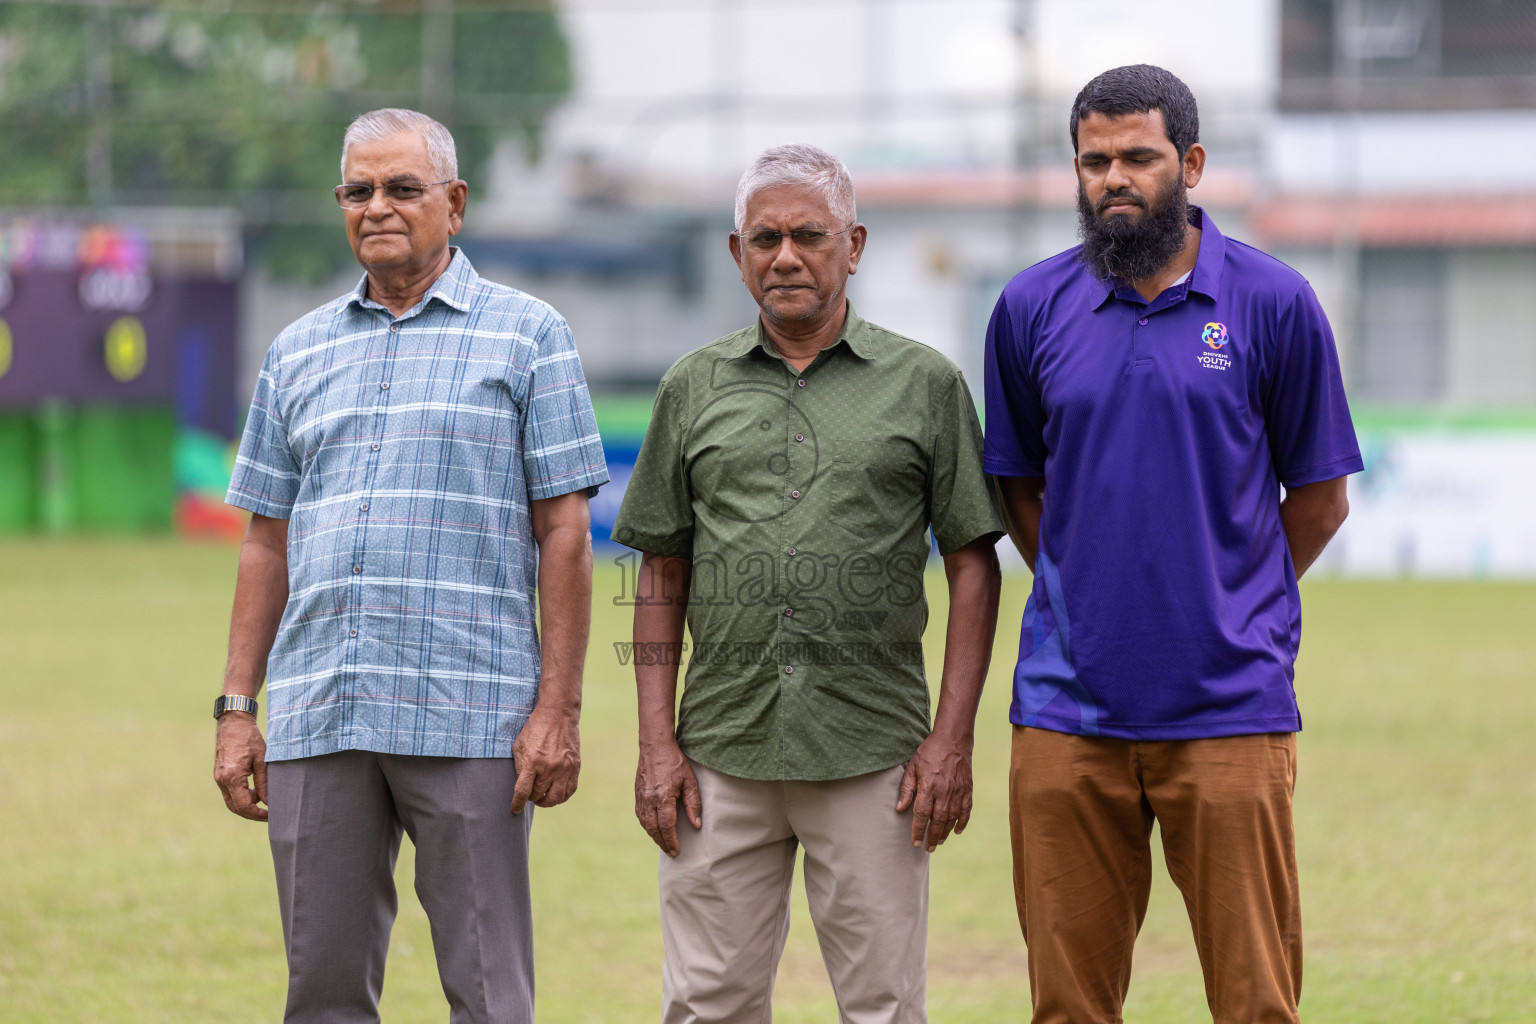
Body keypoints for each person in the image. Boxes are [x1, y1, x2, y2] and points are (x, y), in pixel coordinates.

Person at [983, 65, 1363, 1024]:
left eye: (1138, 158)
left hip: (1230, 707)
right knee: (1067, 1007)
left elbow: (1319, 498)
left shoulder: (1274, 302)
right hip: (1067, 712)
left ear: (1189, 163)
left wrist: (1232, 596)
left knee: (1255, 1004)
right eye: (1094, 160)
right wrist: (1084, 590)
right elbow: (1018, 488)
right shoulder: (1029, 309)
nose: (1115, 177)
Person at [212, 107, 608, 1024]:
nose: (377, 206)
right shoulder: (296, 350)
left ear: (455, 203)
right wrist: (238, 708)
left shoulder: (528, 336)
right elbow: (264, 540)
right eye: (359, 191)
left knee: (488, 994)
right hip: (322, 711)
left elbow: (567, 535)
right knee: (321, 995)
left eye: (402, 187)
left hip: (473, 715)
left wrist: (559, 709)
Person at [611, 143, 1004, 1024]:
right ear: (736, 253)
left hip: (875, 755)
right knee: (707, 1003)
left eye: (808, 236)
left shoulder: (925, 384)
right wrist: (654, 745)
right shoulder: (692, 387)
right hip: (719, 751)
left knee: (883, 1005)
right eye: (764, 239)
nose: (785, 256)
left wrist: (952, 741)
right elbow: (659, 568)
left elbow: (974, 563)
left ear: (854, 246)